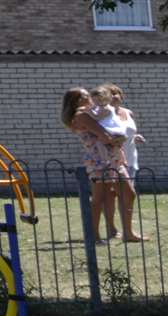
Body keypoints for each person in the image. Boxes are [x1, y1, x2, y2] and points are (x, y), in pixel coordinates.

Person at [60, 87, 124, 244]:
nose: (89, 98)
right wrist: (119, 138)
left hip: (107, 158)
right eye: (85, 96)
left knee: (109, 194)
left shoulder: (90, 113)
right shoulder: (82, 115)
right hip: (98, 160)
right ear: (77, 100)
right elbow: (104, 135)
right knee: (98, 198)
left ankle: (111, 229)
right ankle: (93, 235)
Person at [94, 82, 146, 242]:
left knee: (127, 195)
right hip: (111, 160)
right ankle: (111, 228)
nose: (116, 96)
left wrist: (135, 137)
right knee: (110, 195)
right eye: (111, 93)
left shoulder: (127, 112)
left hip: (130, 159)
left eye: (118, 93)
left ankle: (127, 230)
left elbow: (128, 132)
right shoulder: (102, 114)